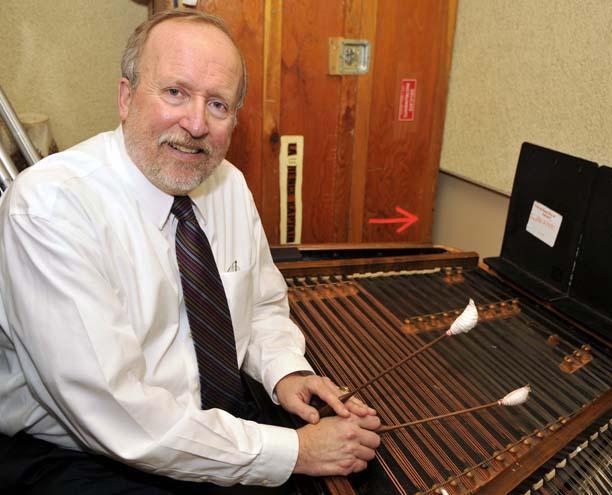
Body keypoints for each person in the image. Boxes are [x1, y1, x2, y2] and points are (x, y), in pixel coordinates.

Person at [0, 9, 380, 494]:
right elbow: (118, 413)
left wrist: (284, 370)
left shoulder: (229, 185)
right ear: (125, 97)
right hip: (83, 453)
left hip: (211, 418)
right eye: (175, 92)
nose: (196, 124)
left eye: (218, 105)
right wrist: (298, 452)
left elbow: (261, 304)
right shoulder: (48, 209)